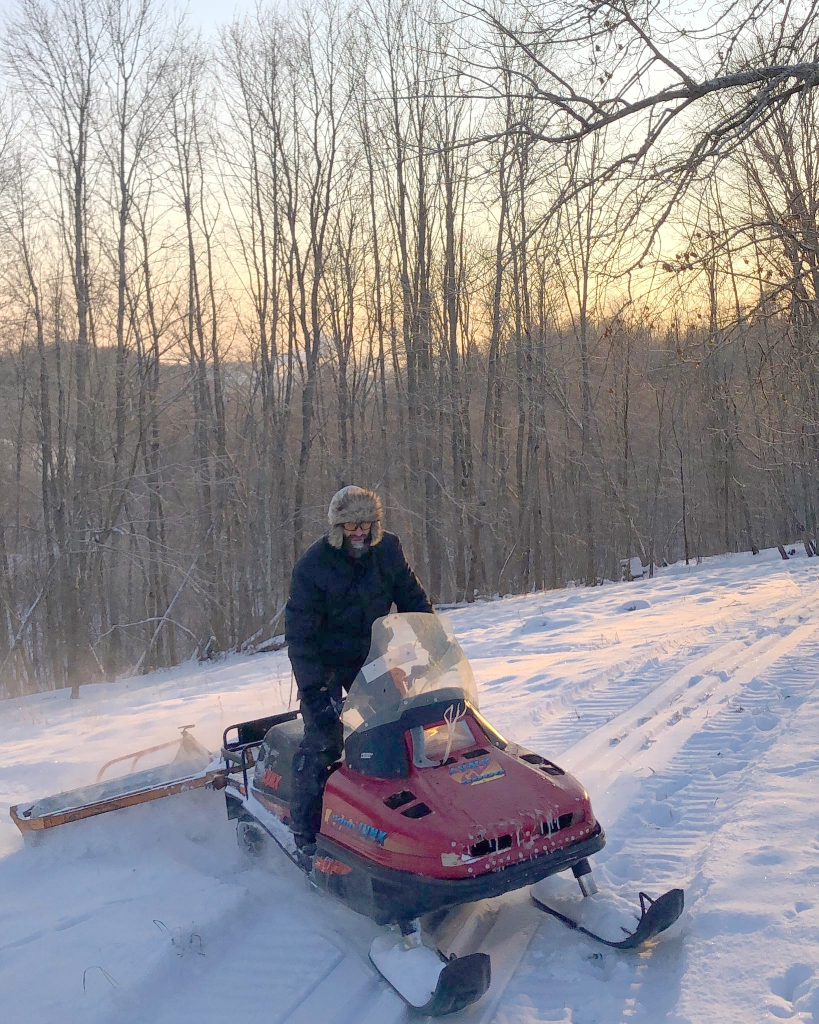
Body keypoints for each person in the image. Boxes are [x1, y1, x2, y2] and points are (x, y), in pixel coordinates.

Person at [284, 485, 433, 861]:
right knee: (325, 739)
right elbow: (300, 636)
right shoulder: (313, 566)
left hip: (374, 656)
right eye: (351, 524)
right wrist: (315, 690)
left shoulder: (388, 550)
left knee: (402, 729)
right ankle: (303, 829)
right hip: (327, 664)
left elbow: (412, 596)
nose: (359, 531)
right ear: (337, 526)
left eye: (366, 523)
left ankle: (409, 824)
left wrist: (429, 641)